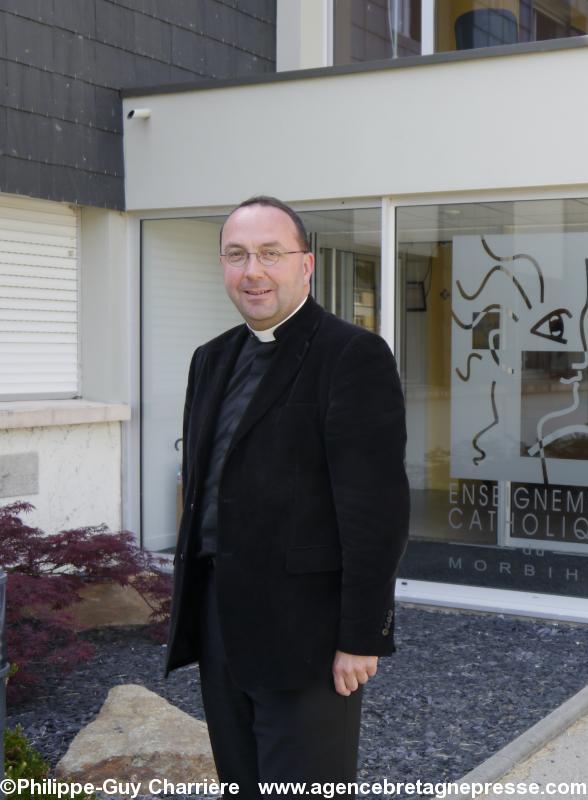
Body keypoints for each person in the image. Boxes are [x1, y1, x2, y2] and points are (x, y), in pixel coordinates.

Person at [164, 196, 409, 795]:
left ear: (307, 263)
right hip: (222, 619)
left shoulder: (351, 355)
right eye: (238, 254)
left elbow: (376, 513)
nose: (254, 270)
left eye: (271, 253)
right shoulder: (211, 358)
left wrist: (361, 637)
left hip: (311, 633)